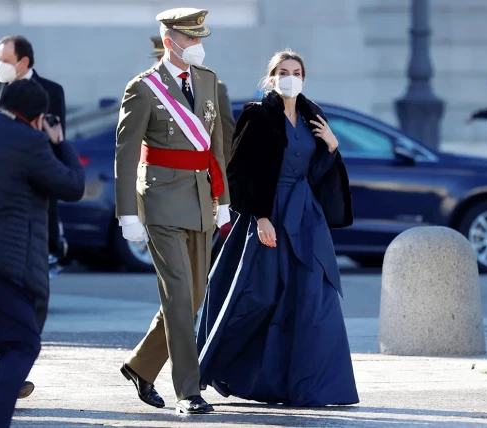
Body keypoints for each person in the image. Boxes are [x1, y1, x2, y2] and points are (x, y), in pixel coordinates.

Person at [196, 49, 359, 407]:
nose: (290, 77)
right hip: (268, 216)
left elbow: (313, 176)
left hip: (306, 217)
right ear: (271, 78)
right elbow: (238, 173)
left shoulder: (313, 115)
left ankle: (315, 388)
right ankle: (236, 373)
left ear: (304, 77)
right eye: (283, 71)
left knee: (316, 299)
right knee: (260, 297)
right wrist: (261, 217)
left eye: (296, 71)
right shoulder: (257, 115)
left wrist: (331, 148)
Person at [115, 8, 230, 415]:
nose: (198, 46)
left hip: (202, 199)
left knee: (194, 297)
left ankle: (141, 366)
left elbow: (218, 148)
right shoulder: (144, 88)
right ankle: (189, 391)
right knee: (179, 295)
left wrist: (225, 201)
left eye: (200, 39)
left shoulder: (209, 81)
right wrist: (127, 213)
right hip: (161, 200)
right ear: (170, 42)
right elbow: (126, 155)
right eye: (191, 39)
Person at [0, 79, 85, 428]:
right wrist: (60, 143)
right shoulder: (32, 142)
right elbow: (73, 185)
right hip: (8, 264)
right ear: (36, 117)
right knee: (23, 343)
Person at [0, 34, 69, 400]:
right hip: (5, 209)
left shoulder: (51, 91)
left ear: (23, 61)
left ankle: (16, 364)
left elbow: (56, 150)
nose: (1, 66)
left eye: (5, 59)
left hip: (36, 206)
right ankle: (8, 365)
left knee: (35, 299)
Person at [148, 35, 235, 165]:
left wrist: (224, 172)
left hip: (201, 169)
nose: (161, 63)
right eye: (159, 59)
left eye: (164, 58)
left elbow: (225, 135)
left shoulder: (213, 87)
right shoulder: (149, 86)